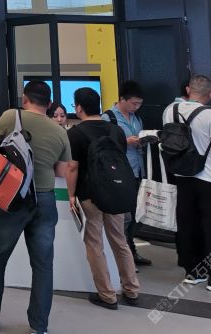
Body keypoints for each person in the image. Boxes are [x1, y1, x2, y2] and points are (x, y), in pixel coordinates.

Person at [0, 80, 71, 333]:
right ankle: (39, 325)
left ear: (25, 99)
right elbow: (61, 171)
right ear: (49, 105)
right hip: (45, 199)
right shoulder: (60, 131)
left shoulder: (11, 116)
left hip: (13, 197)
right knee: (43, 264)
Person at [162, 74, 211, 294]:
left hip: (181, 175)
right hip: (206, 177)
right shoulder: (210, 114)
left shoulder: (170, 110)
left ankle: (193, 271)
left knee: (186, 222)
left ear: (188, 89)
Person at [67, 86, 139, 309]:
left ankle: (107, 295)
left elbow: (72, 167)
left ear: (79, 108)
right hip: (116, 192)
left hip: (89, 195)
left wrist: (71, 195)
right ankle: (131, 289)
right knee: (120, 240)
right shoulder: (115, 130)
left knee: (94, 244)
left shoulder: (75, 133)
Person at [103, 80, 151, 266]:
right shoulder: (108, 118)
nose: (136, 107)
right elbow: (104, 146)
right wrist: (125, 141)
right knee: (123, 217)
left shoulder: (136, 118)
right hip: (120, 172)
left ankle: (131, 250)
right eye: (134, 103)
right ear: (122, 99)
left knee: (137, 214)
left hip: (138, 170)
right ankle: (123, 256)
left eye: (139, 104)